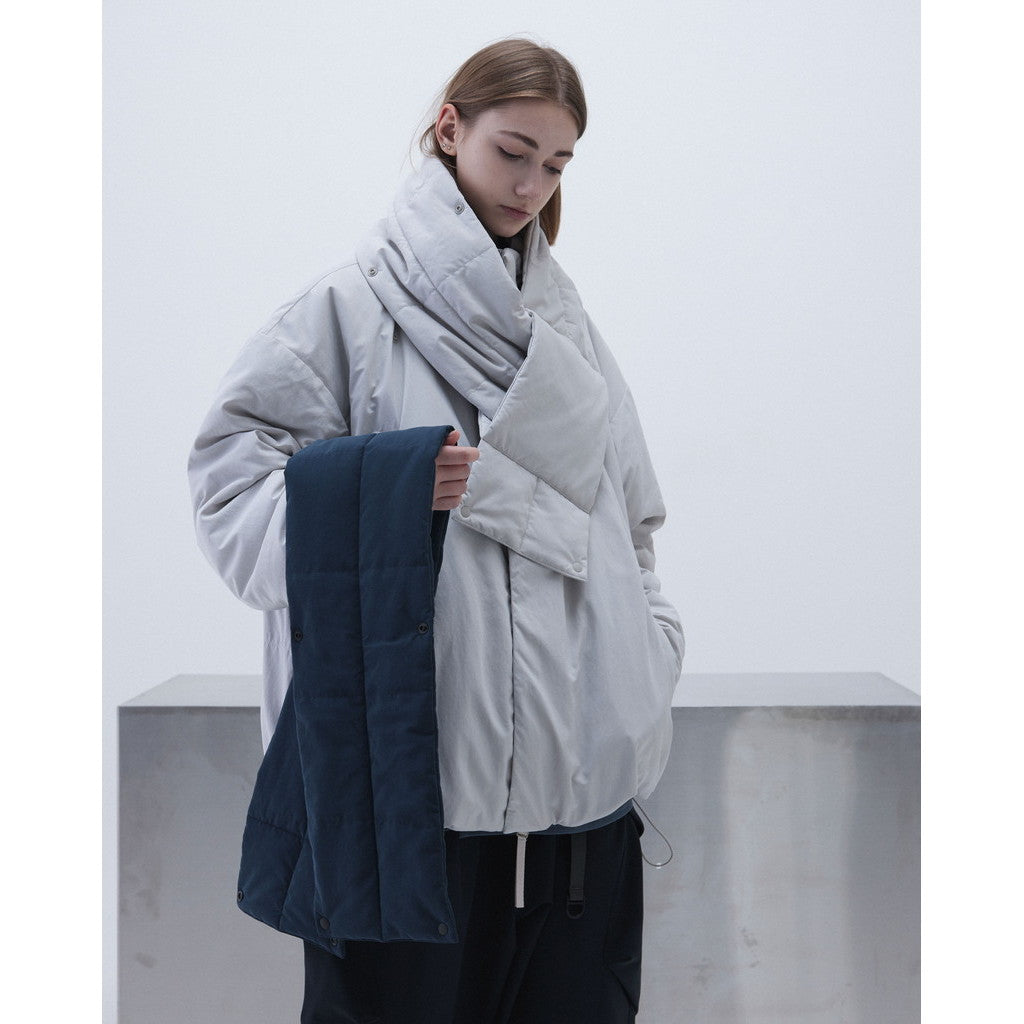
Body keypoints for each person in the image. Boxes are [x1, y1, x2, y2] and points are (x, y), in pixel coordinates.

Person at [188, 36, 684, 1024]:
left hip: (584, 806)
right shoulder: (343, 313)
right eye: (513, 152)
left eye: (557, 165)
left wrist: (647, 655)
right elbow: (228, 496)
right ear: (450, 129)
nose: (532, 187)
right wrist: (389, 495)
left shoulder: (571, 335)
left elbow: (631, 524)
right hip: (407, 816)